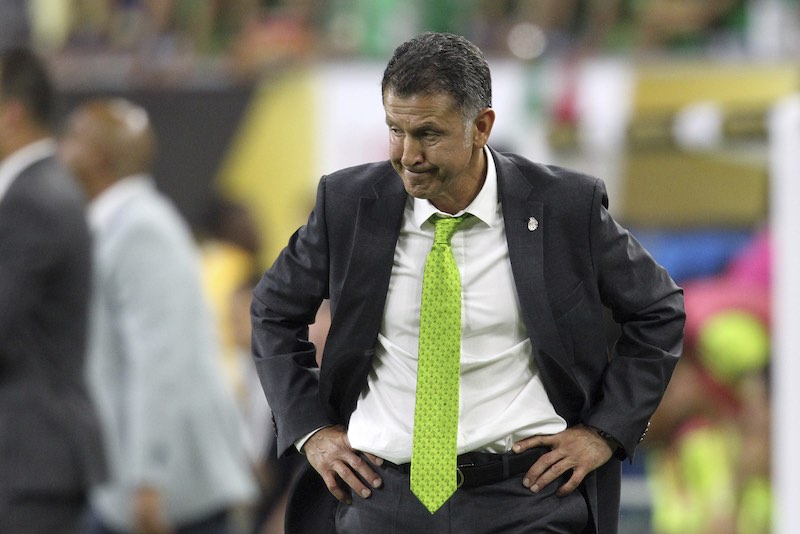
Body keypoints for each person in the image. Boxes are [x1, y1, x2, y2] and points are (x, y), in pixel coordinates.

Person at [250, 32, 685, 534]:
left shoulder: (566, 207)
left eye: (428, 134)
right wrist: (311, 429)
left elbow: (659, 310)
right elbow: (272, 311)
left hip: (527, 501)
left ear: (481, 127)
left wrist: (604, 432)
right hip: (381, 497)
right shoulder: (347, 203)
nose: (408, 154)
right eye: (395, 130)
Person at [59, 98, 257, 534]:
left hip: (169, 491)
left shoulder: (139, 228)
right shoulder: (121, 223)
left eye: (71, 139)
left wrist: (149, 477)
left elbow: (159, 359)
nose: (61, 151)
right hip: (140, 483)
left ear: (98, 156)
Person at [0, 47, 106, 533]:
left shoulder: (32, 200)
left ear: (11, 113)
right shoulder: (46, 189)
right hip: (35, 459)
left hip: (28, 459)